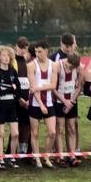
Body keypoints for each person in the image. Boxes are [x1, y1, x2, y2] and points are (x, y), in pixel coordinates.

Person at [28, 40, 58, 169]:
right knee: (34, 133)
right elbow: (32, 87)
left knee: (52, 132)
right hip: (35, 103)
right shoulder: (31, 65)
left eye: (40, 51)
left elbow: (53, 85)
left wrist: (40, 88)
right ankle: (37, 157)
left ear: (46, 51)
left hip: (49, 102)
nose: (37, 54)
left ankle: (46, 156)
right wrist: (41, 104)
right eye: (35, 51)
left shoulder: (54, 65)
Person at [0, 45, 20, 170]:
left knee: (15, 133)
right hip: (1, 105)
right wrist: (10, 87)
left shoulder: (13, 71)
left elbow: (17, 88)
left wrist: (9, 88)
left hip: (12, 105)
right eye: (4, 55)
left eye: (8, 55)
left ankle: (12, 157)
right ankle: (1, 158)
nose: (6, 58)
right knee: (1, 133)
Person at [55, 51, 82, 166]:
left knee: (71, 128)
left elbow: (80, 86)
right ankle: (60, 156)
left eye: (73, 68)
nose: (71, 70)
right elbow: (53, 88)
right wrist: (64, 100)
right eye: (70, 67)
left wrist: (71, 100)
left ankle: (72, 155)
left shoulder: (79, 68)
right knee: (60, 129)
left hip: (71, 101)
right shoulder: (58, 66)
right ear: (67, 60)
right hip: (59, 101)